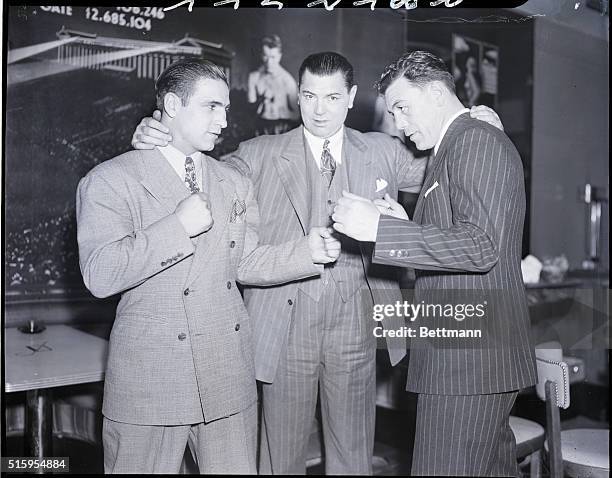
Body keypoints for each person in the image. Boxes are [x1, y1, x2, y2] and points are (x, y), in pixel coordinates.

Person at [131, 51, 504, 475]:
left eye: (331, 97)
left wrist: (476, 121)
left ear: (352, 98)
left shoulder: (384, 151)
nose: (319, 109)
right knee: (281, 455)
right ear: (298, 98)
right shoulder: (260, 153)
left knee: (353, 453)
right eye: (309, 96)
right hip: (285, 322)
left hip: (358, 323)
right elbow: (195, 168)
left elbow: (451, 160)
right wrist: (159, 134)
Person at [76, 59, 341, 474]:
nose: (223, 120)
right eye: (212, 106)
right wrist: (176, 227)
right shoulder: (110, 180)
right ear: (172, 104)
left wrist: (306, 252)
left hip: (227, 377)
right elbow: (100, 274)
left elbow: (245, 261)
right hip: (151, 380)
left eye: (226, 108)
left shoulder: (232, 181)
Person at [332, 50, 537, 477]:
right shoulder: (453, 147)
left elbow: (481, 246)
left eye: (403, 108)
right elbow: (462, 237)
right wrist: (405, 223)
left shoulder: (474, 140)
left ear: (439, 93)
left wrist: (380, 231)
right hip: (470, 355)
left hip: (467, 361)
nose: (399, 125)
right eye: (393, 113)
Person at [248, 34, 300, 135]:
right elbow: (249, 109)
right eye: (265, 56)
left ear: (279, 56)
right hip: (259, 128)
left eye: (273, 57)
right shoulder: (254, 77)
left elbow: (297, 115)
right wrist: (261, 101)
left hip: (281, 129)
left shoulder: (287, 80)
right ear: (261, 55)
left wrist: (280, 112)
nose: (269, 62)